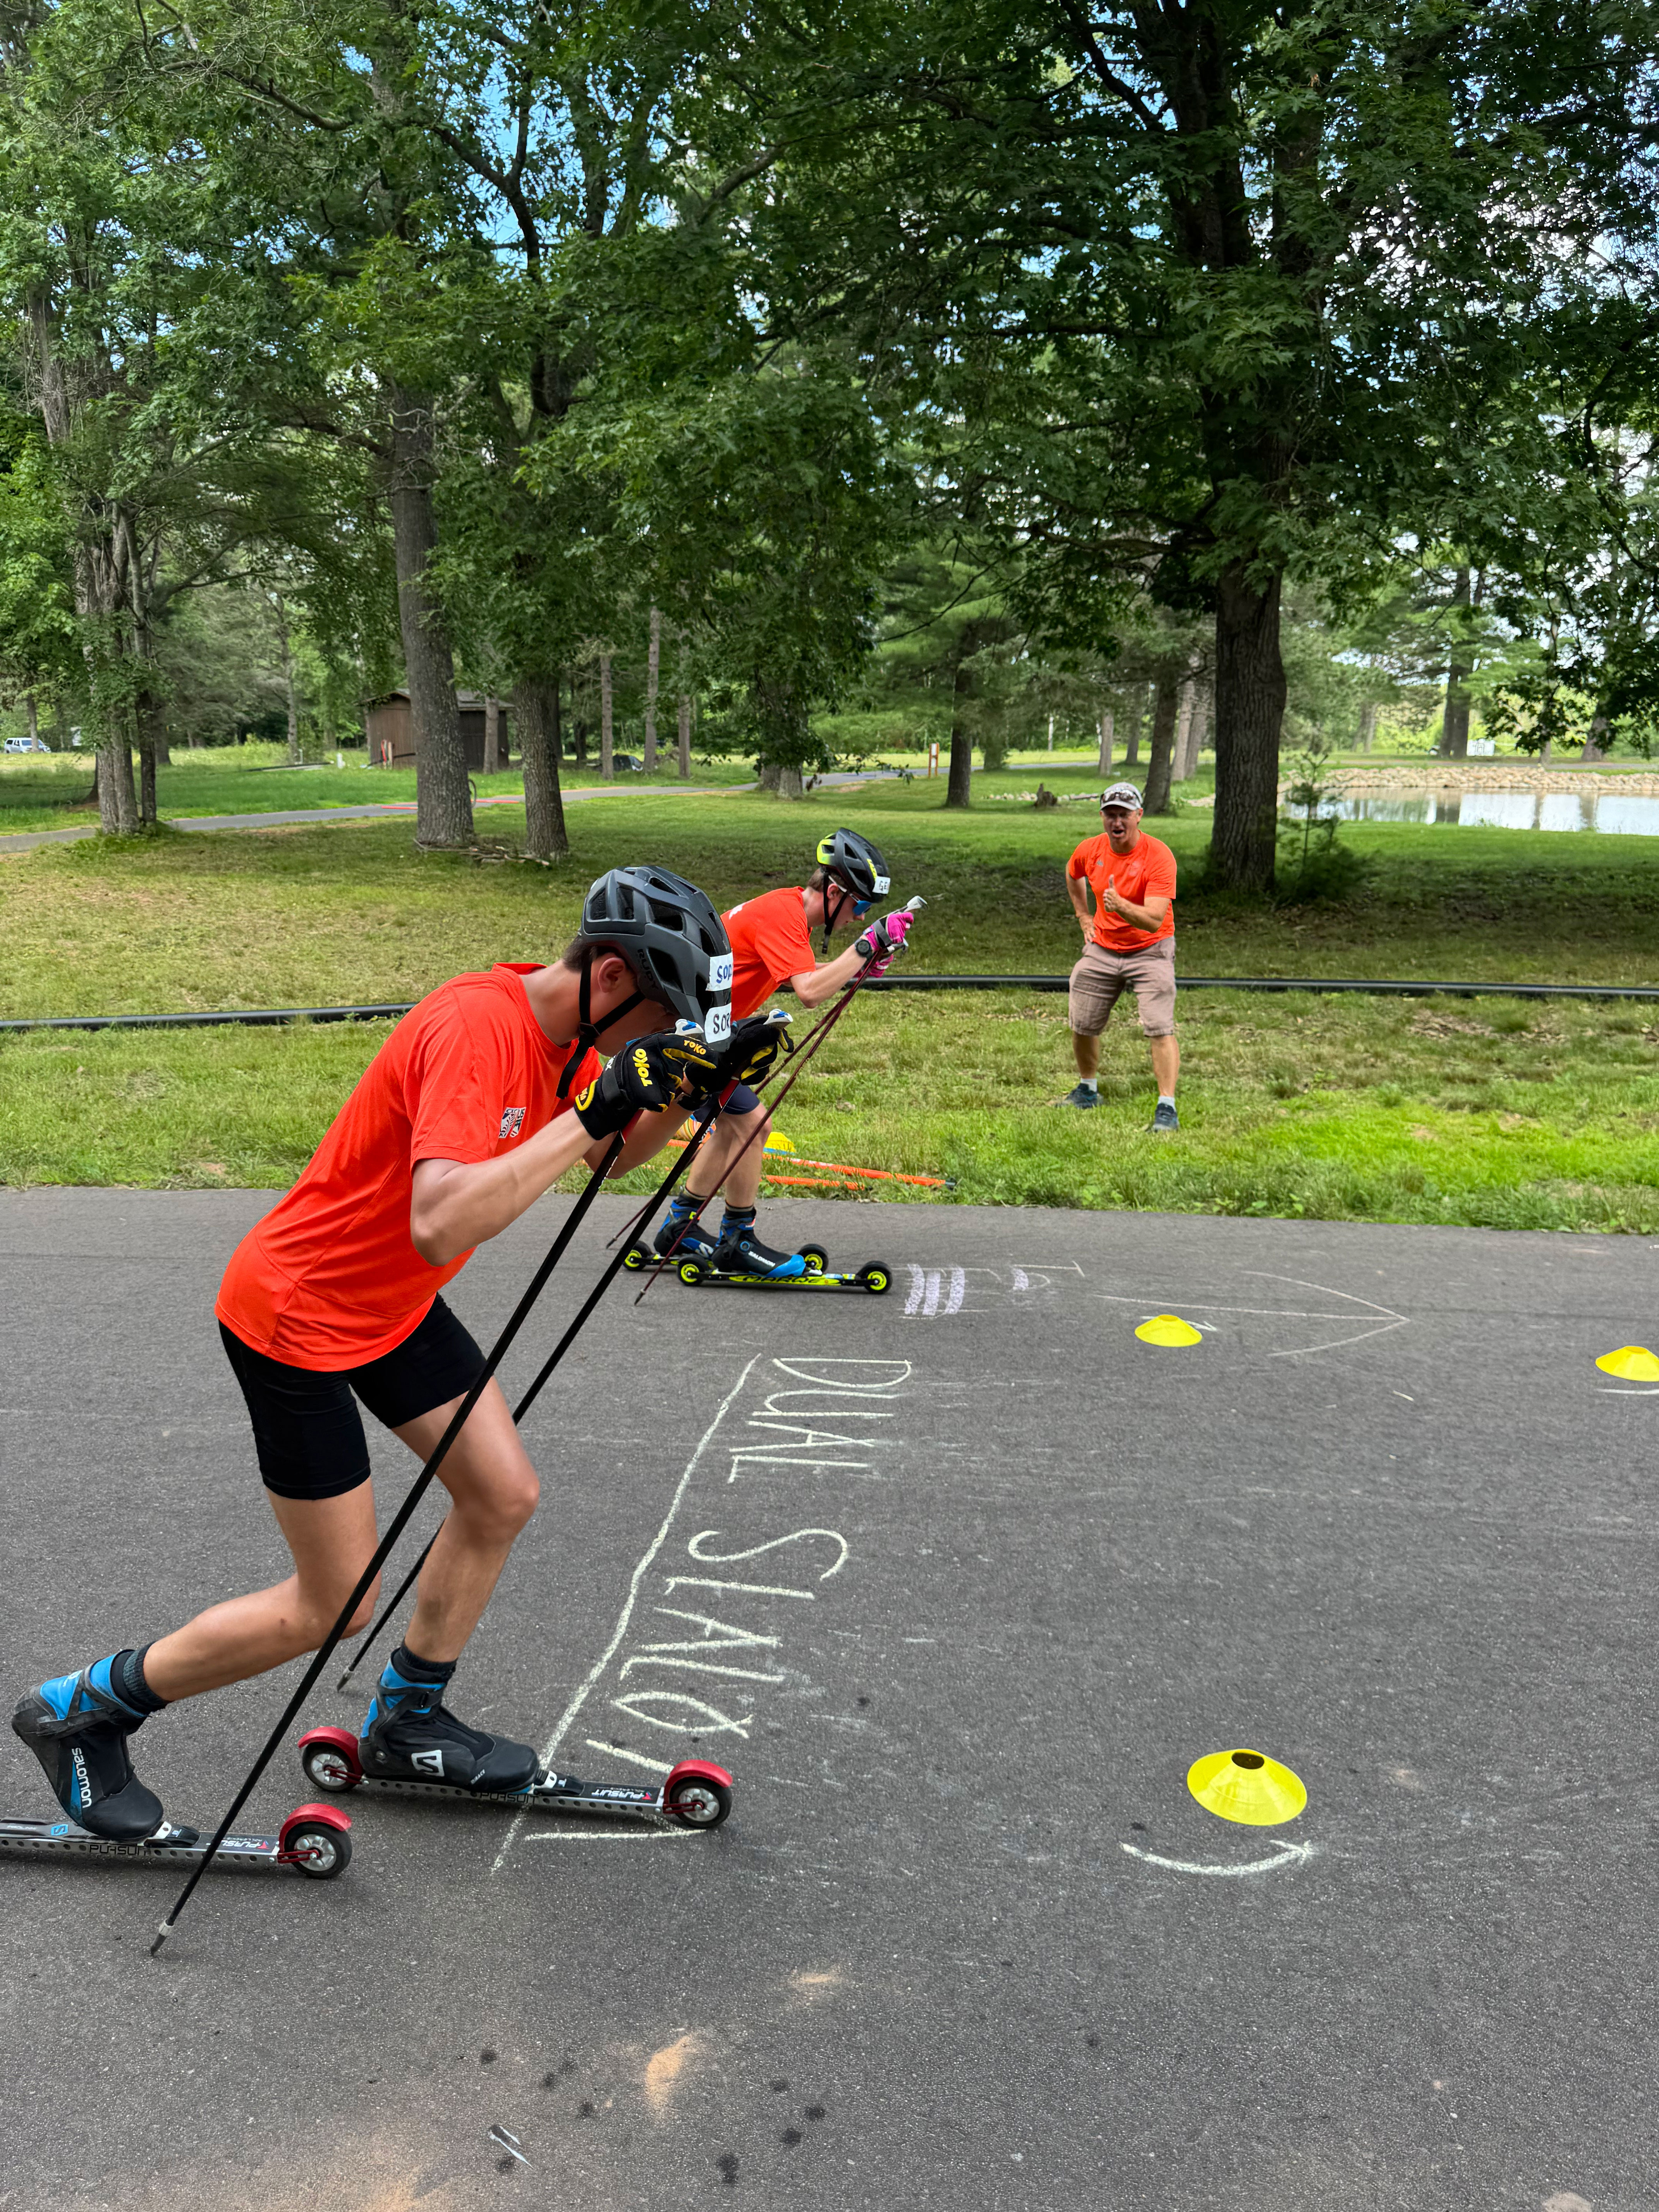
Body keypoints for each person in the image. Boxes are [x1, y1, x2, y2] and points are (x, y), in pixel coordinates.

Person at [12, 866, 776, 1841]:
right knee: (335, 1604)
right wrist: (597, 1110)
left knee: (501, 1495)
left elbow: (611, 1156)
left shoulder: (573, 1035)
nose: (654, 1039)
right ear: (616, 977)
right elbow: (441, 1217)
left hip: (392, 1310)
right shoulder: (478, 1026)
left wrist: (692, 1087)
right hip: (298, 1315)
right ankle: (81, 1708)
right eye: (662, 1017)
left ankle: (408, 1721)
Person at [655, 828, 909, 1278]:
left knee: (735, 1128)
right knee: (753, 1126)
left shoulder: (790, 912)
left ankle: (680, 1226)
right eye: (861, 906)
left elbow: (810, 977)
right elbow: (810, 992)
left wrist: (866, 957)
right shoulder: (783, 915)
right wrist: (865, 946)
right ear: (834, 892)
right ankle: (737, 1239)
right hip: (686, 1035)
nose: (859, 916)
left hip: (707, 1032)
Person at [1058, 781, 1180, 1130]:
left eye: (1124, 815)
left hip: (1151, 949)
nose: (1117, 822)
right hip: (1103, 948)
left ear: (1139, 816)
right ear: (1102, 817)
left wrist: (1121, 906)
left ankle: (1167, 1108)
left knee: (1159, 1026)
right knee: (1082, 1021)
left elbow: (1154, 920)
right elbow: (1072, 874)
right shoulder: (1091, 850)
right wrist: (1084, 916)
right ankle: (1087, 1090)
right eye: (1111, 814)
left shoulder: (1159, 856)